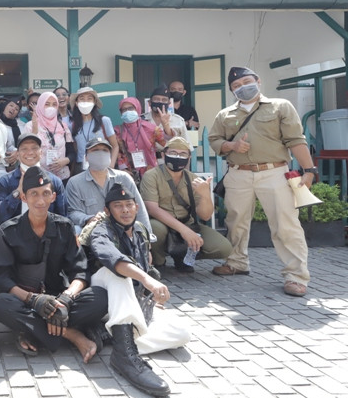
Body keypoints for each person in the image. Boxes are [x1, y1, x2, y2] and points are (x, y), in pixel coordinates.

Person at [208, 67, 316, 297]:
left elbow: (296, 139)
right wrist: (232, 146)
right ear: (231, 90)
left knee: (285, 224)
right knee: (236, 221)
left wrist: (309, 170)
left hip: (274, 172)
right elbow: (215, 139)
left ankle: (296, 276)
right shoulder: (225, 114)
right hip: (238, 173)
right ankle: (237, 262)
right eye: (236, 86)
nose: (243, 87)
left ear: (258, 81)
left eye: (247, 82)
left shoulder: (280, 106)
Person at [0, 166, 108, 363]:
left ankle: (31, 331)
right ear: (23, 198)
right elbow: (3, 279)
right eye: (34, 194)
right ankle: (72, 334)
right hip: (25, 300)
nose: (40, 201)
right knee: (1, 304)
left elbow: (79, 272)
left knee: (101, 297)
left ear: (53, 197)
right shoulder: (8, 231)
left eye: (46, 194)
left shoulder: (64, 226)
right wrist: (34, 300)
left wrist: (66, 299)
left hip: (58, 297)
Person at [81, 183, 187, 397]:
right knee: (119, 274)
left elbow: (145, 268)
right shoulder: (101, 229)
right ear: (108, 211)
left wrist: (152, 298)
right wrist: (148, 280)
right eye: (118, 206)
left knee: (181, 334)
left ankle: (116, 340)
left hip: (126, 304)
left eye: (129, 205)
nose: (125, 210)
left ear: (136, 207)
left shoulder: (140, 230)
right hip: (99, 296)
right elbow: (114, 261)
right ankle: (126, 358)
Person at [140, 137, 232, 272]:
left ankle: (182, 256)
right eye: (173, 153)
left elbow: (205, 216)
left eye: (183, 154)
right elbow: (152, 209)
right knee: (155, 228)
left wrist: (205, 195)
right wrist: (184, 231)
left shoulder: (193, 179)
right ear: (163, 155)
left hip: (187, 223)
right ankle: (158, 261)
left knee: (224, 248)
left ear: (189, 158)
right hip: (162, 223)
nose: (178, 157)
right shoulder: (152, 176)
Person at [66, 137, 151, 234]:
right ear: (86, 157)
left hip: (123, 228)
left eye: (105, 150)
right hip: (94, 230)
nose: (100, 154)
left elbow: (139, 209)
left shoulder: (124, 178)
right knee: (76, 230)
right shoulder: (75, 183)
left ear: (110, 156)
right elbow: (73, 212)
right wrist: (88, 219)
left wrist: (146, 237)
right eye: (95, 150)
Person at [0, 133, 67, 228]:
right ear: (17, 154)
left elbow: (62, 218)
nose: (30, 152)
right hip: (13, 237)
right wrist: (17, 192)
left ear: (41, 152)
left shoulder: (55, 182)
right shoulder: (4, 182)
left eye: (34, 148)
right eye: (24, 149)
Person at [24, 91, 74, 182]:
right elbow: (27, 151)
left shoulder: (63, 126)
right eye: (47, 104)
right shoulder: (30, 126)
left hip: (62, 177)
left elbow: (72, 153)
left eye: (54, 104)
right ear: (40, 105)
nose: (51, 107)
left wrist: (65, 161)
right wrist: (35, 130)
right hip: (38, 178)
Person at [114, 97, 166, 183]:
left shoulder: (150, 128)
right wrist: (122, 169)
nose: (127, 111)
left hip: (151, 174)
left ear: (137, 108)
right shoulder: (117, 131)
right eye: (124, 109)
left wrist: (166, 125)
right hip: (128, 176)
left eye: (131, 108)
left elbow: (169, 144)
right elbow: (117, 153)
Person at [70, 87, 118, 172]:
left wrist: (111, 166)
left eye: (89, 98)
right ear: (76, 103)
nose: (85, 101)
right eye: (82, 99)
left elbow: (115, 146)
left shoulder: (104, 121)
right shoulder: (73, 125)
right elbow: (76, 148)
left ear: (94, 102)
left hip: (102, 165)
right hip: (81, 167)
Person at [142, 84, 187, 152]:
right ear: (149, 102)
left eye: (164, 100)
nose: (160, 102)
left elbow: (186, 146)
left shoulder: (178, 120)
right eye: (156, 99)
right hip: (146, 159)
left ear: (169, 104)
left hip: (169, 159)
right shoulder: (140, 120)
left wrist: (166, 126)